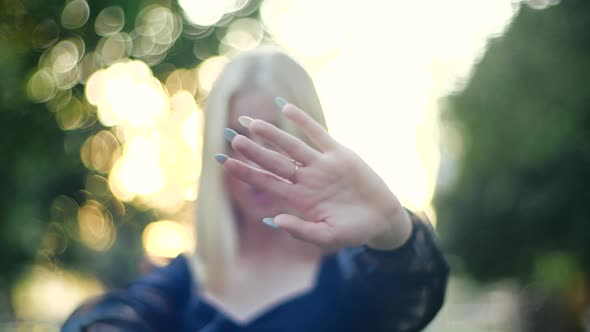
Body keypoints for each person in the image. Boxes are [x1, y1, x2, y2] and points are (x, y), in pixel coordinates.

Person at [62, 48, 449, 332]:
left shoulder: (355, 273)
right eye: (236, 141)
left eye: (275, 140)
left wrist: (392, 227)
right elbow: (119, 315)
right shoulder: (185, 282)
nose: (256, 164)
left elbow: (413, 294)